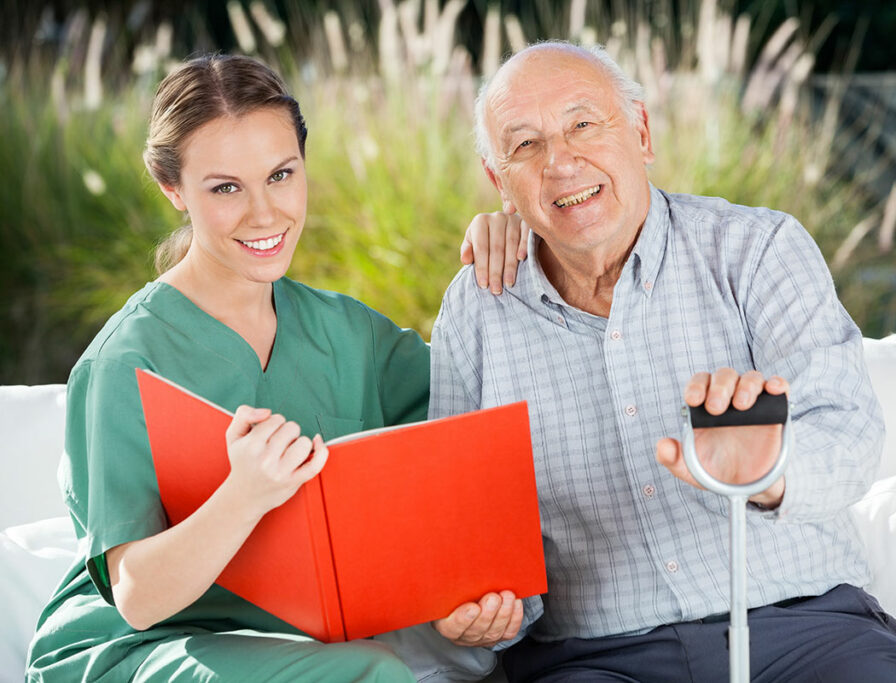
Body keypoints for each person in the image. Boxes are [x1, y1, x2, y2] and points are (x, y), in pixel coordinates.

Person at [428, 41, 896, 681]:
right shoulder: (478, 309)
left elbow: (848, 434)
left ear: (640, 132)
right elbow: (474, 528)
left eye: (584, 124)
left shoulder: (757, 249)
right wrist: (490, 609)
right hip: (596, 660)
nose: (560, 162)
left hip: (806, 629)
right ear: (500, 180)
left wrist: (767, 470)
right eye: (525, 145)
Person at [24, 54, 522, 682]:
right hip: (141, 648)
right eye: (226, 187)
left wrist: (518, 242)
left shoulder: (348, 333)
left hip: (301, 645)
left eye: (281, 175)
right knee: (373, 675)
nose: (264, 214)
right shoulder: (127, 361)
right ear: (173, 189)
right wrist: (245, 495)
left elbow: (483, 431)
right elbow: (137, 598)